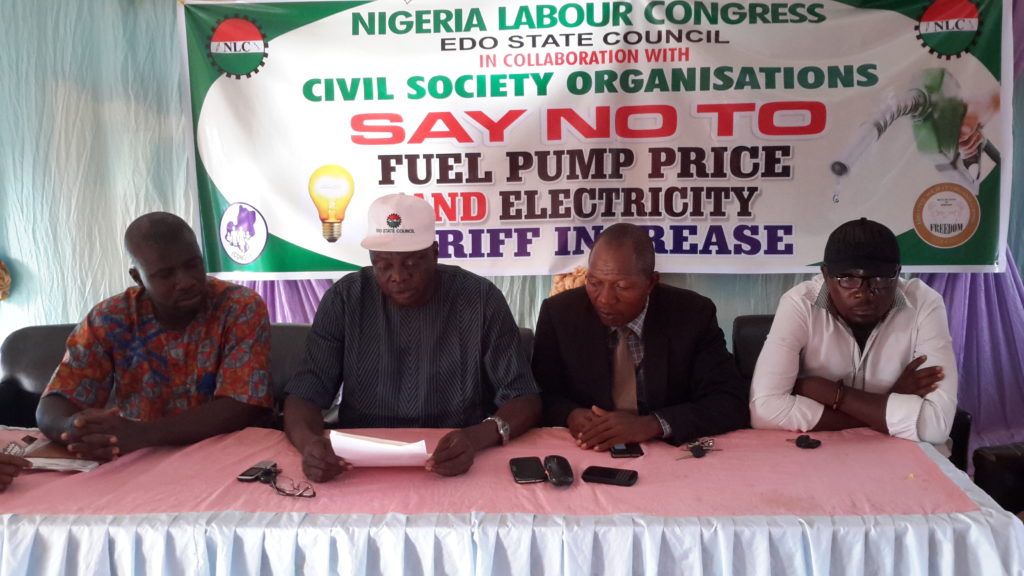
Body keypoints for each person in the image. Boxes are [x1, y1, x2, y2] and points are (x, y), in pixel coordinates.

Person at [284, 193, 541, 480]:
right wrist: (310, 446)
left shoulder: (480, 299)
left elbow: (523, 398)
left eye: (411, 263)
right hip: (360, 464)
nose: (397, 276)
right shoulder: (345, 299)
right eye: (383, 264)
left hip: (459, 459)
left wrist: (475, 438)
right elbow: (305, 393)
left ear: (434, 252)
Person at [36, 212, 273, 459]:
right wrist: (72, 430)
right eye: (165, 274)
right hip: (140, 460)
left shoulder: (239, 307)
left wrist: (143, 434)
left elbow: (243, 405)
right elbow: (54, 403)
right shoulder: (111, 317)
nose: (186, 281)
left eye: (193, 264)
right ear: (138, 277)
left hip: (228, 456)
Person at [533, 223, 749, 450]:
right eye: (595, 283)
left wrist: (653, 424)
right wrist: (570, 415)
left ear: (651, 282)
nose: (605, 299)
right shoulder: (559, 314)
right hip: (588, 450)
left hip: (668, 453)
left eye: (622, 286)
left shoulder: (693, 314)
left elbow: (729, 401)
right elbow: (538, 394)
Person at [749, 218, 958, 446]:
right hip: (822, 453)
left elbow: (936, 426)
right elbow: (764, 410)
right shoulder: (800, 304)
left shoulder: (924, 304)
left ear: (897, 273)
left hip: (905, 454)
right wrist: (890, 398)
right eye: (847, 278)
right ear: (826, 275)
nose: (864, 293)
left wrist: (835, 395)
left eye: (878, 278)